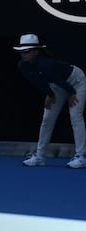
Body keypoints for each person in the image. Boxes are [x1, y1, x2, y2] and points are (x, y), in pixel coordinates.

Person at [15, 34, 86, 169]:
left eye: (27, 52)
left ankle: (81, 156)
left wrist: (71, 92)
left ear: (36, 52)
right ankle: (40, 156)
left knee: (75, 116)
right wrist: (49, 94)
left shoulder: (45, 63)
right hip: (57, 85)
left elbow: (59, 80)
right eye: (21, 52)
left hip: (76, 82)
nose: (23, 55)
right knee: (47, 119)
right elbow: (37, 82)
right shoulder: (22, 65)